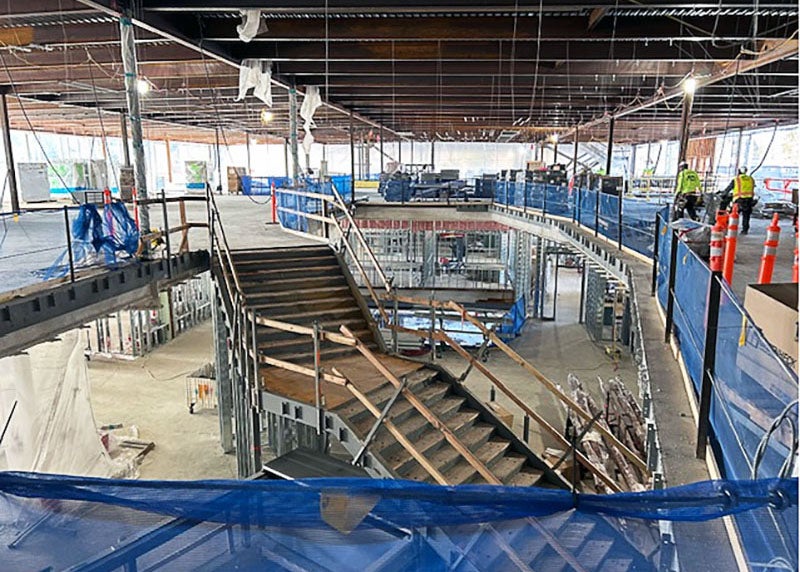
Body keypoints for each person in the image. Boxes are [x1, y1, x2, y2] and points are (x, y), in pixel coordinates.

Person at [723, 167, 756, 234]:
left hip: (739, 200)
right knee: (746, 215)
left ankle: (730, 227)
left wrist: (723, 194)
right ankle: (745, 230)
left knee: (732, 214)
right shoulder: (751, 179)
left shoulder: (736, 179)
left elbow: (728, 189)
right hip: (749, 200)